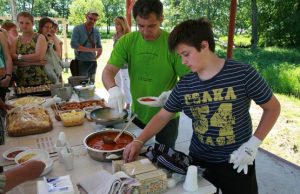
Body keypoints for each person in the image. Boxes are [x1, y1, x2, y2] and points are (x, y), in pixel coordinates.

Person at [122, 18, 281, 194]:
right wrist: (139, 140)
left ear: (204, 45)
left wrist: (253, 144)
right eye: (180, 56)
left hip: (238, 161)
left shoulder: (242, 74)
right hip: (198, 162)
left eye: (186, 54)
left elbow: (273, 108)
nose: (183, 62)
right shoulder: (185, 84)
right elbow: (162, 116)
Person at [102, 0, 189, 148]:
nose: (145, 31)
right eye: (141, 26)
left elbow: (189, 79)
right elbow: (108, 71)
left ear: (161, 19)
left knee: (164, 159)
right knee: (135, 155)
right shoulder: (127, 41)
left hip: (168, 115)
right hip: (138, 114)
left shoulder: (173, 43)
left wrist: (174, 94)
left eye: (151, 26)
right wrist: (113, 89)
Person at [11, 11, 50, 87]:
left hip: (39, 78)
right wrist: (34, 62)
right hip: (21, 80)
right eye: (21, 23)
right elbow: (12, 57)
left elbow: (39, 57)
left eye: (27, 23)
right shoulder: (16, 40)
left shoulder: (39, 37)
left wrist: (20, 58)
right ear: (18, 23)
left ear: (33, 23)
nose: (24, 26)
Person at [70, 10, 102, 83]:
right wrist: (93, 50)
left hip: (93, 63)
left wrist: (95, 57)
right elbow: (73, 45)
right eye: (90, 18)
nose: (92, 21)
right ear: (86, 17)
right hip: (81, 62)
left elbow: (99, 47)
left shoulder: (96, 31)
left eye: (95, 20)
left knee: (92, 84)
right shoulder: (77, 29)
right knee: (82, 86)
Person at [113, 16, 131, 110]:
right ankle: (119, 102)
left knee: (126, 86)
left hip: (125, 66)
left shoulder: (127, 36)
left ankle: (128, 104)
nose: (116, 26)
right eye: (115, 24)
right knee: (117, 85)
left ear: (123, 25)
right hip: (116, 65)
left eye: (118, 24)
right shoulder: (115, 36)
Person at [38, 17, 63, 84]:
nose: (50, 30)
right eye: (47, 27)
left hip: (53, 69)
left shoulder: (54, 39)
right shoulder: (37, 38)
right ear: (41, 27)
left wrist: (53, 37)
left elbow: (58, 55)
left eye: (51, 27)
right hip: (42, 71)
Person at [0, 29, 13, 101]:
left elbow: (7, 57)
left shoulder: (1, 34)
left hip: (2, 77)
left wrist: (8, 76)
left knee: (4, 107)